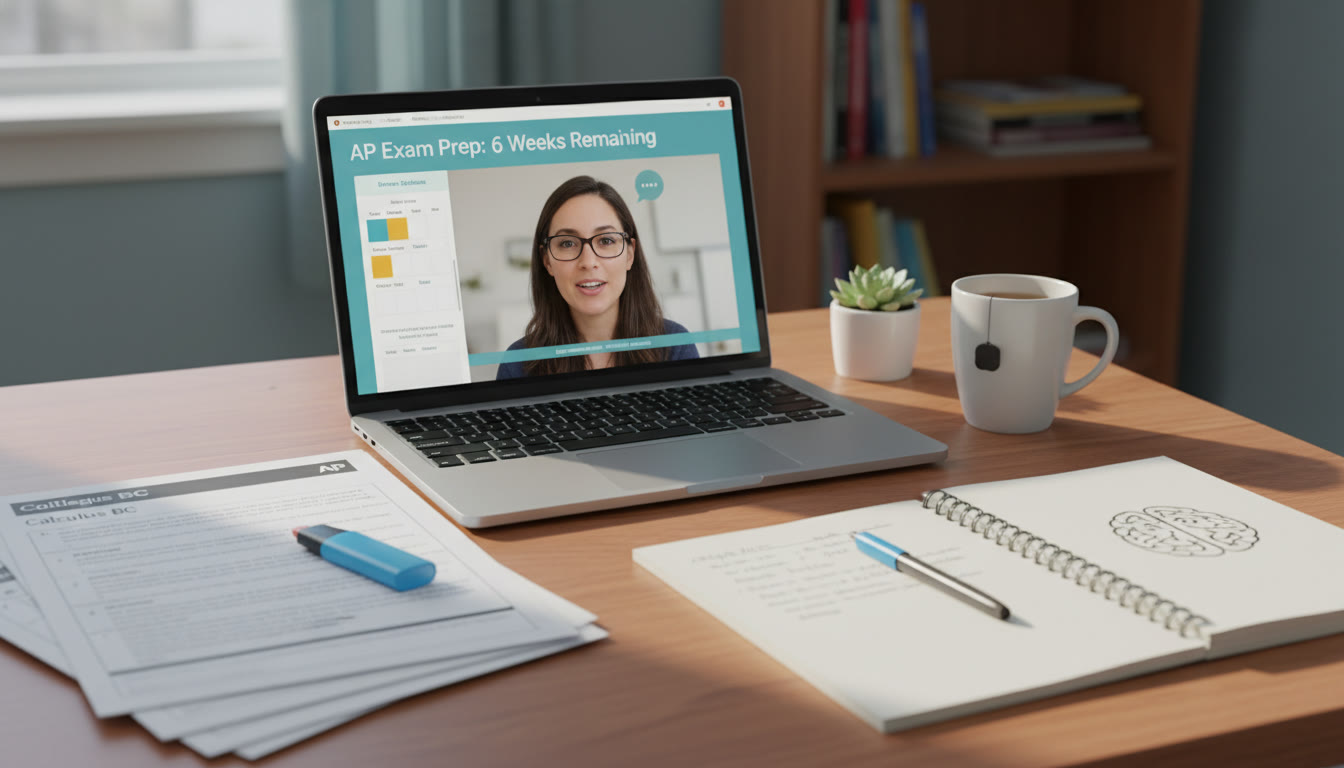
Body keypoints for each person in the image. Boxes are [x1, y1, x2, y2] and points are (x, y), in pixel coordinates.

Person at [496, 175, 699, 379]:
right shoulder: (518, 364)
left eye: (606, 240)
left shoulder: (674, 346)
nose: (588, 261)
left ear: (630, 254)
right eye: (567, 243)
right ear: (547, 260)